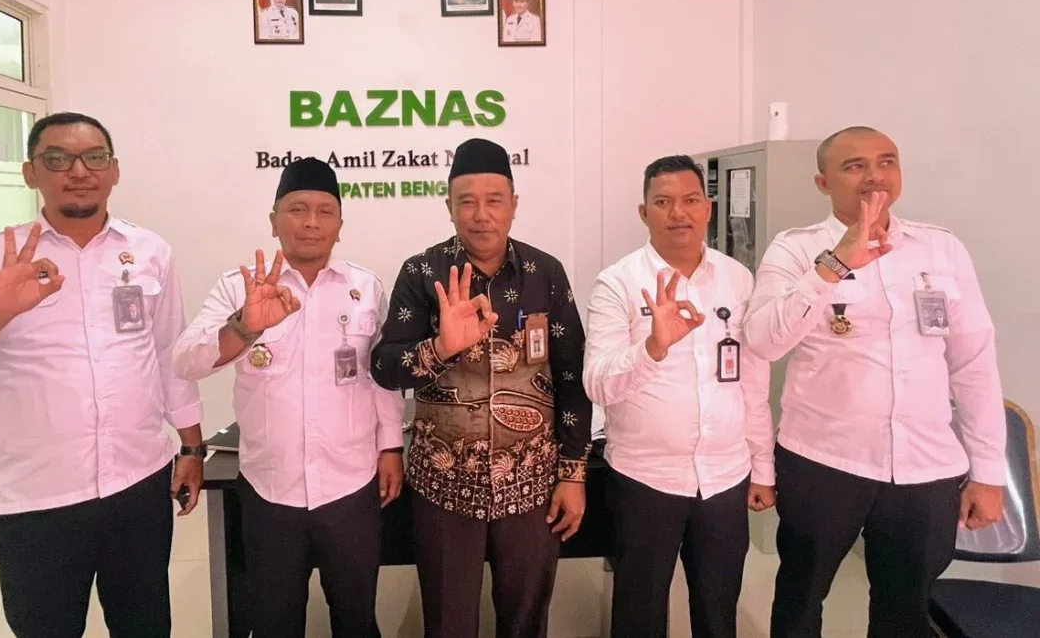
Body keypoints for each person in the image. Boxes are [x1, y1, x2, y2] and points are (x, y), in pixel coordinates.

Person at [0, 112, 205, 638]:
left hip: (138, 484)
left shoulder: (150, 252)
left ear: (114, 171)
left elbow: (167, 356)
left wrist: (192, 448)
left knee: (146, 625)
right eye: (58, 159)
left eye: (94, 158)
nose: (79, 171)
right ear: (31, 173)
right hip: (40, 500)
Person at [743, 126, 1007, 638]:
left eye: (887, 161)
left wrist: (989, 472)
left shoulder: (940, 249)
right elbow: (764, 340)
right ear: (823, 182)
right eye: (855, 166)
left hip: (925, 466)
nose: (875, 176)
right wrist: (836, 262)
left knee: (905, 608)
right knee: (801, 596)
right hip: (824, 460)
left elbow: (974, 364)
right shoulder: (797, 249)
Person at [174, 157, 405, 638]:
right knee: (274, 622)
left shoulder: (365, 287)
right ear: (274, 219)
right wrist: (244, 326)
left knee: (357, 620)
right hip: (270, 489)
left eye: (325, 211)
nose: (311, 222)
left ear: (340, 225)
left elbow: (381, 376)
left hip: (350, 484)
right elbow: (187, 361)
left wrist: (390, 446)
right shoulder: (238, 287)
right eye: (297, 209)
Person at [371, 138, 591, 638]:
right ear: (449, 206)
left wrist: (573, 474)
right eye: (466, 201)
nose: (481, 214)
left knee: (526, 620)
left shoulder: (545, 273)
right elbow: (384, 367)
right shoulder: (422, 273)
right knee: (448, 622)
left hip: (531, 482)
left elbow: (572, 376)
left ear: (514, 204)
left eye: (494, 200)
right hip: (444, 484)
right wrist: (439, 348)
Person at [584, 155, 775, 638]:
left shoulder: (738, 278)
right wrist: (652, 348)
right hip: (645, 479)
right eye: (663, 202)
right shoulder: (617, 283)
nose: (678, 213)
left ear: (708, 208)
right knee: (640, 612)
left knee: (718, 609)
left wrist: (763, 466)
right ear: (643, 212)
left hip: (725, 476)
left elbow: (753, 382)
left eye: (690, 200)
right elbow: (597, 384)